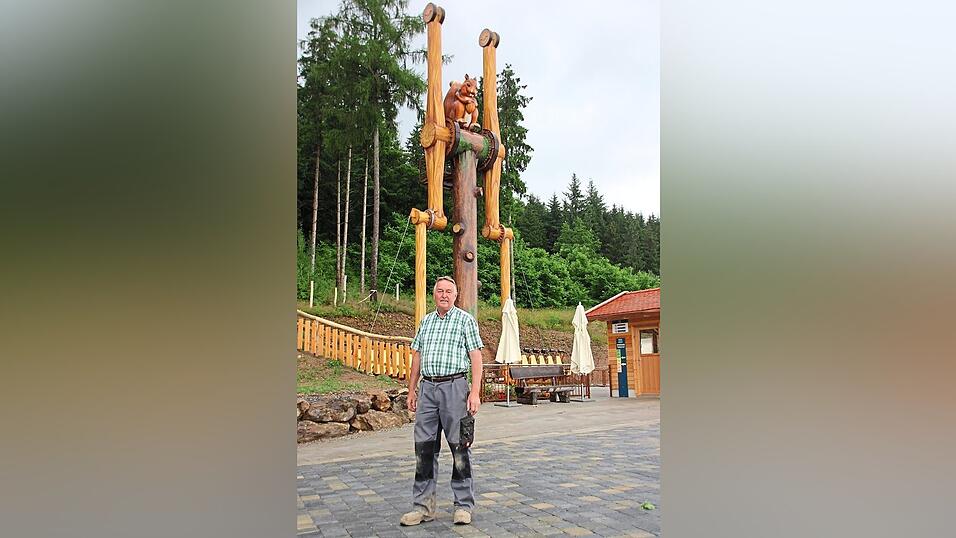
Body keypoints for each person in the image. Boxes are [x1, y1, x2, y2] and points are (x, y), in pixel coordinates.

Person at [399, 276, 483, 527]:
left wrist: (475, 392)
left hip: (455, 388)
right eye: (440, 291)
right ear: (434, 295)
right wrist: (412, 390)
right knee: (424, 448)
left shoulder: (465, 320)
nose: (444, 295)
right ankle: (422, 507)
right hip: (428, 389)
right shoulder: (425, 322)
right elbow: (417, 357)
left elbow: (476, 357)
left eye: (449, 291)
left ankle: (463, 505)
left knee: (460, 446)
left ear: (455, 295)